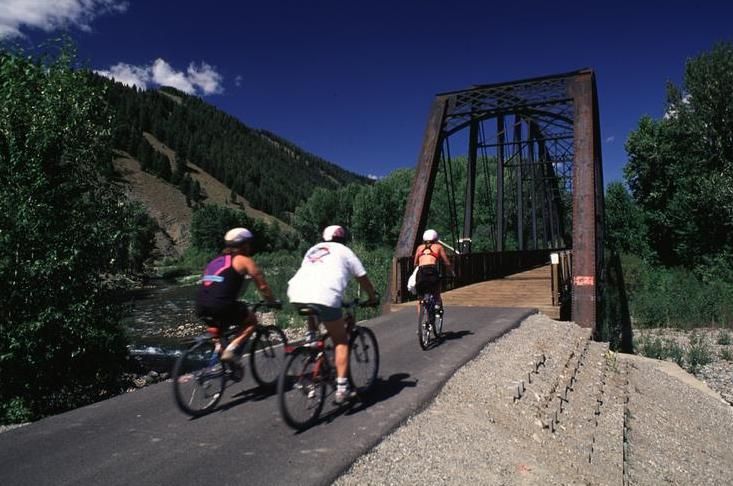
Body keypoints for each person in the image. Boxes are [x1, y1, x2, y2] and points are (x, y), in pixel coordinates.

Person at [287, 225, 379, 404]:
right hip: (326, 296)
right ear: (342, 238)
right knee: (341, 341)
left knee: (313, 307)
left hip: (297, 293)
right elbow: (362, 277)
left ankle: (311, 339)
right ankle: (343, 388)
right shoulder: (344, 251)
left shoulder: (313, 249)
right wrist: (372, 296)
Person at [195, 227, 278, 375]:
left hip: (200, 305)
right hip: (221, 306)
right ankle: (231, 351)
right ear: (244, 244)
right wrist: (272, 301)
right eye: (249, 244)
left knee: (220, 332)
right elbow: (263, 286)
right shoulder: (244, 260)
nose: (250, 247)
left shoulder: (216, 260)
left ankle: (220, 359)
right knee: (252, 321)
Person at [413, 229, 454, 314]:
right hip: (432, 271)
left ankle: (421, 319)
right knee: (436, 290)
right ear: (435, 238)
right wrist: (451, 272)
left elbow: (415, 263)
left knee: (420, 296)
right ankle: (437, 305)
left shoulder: (419, 247)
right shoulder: (438, 247)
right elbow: (446, 262)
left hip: (421, 272)